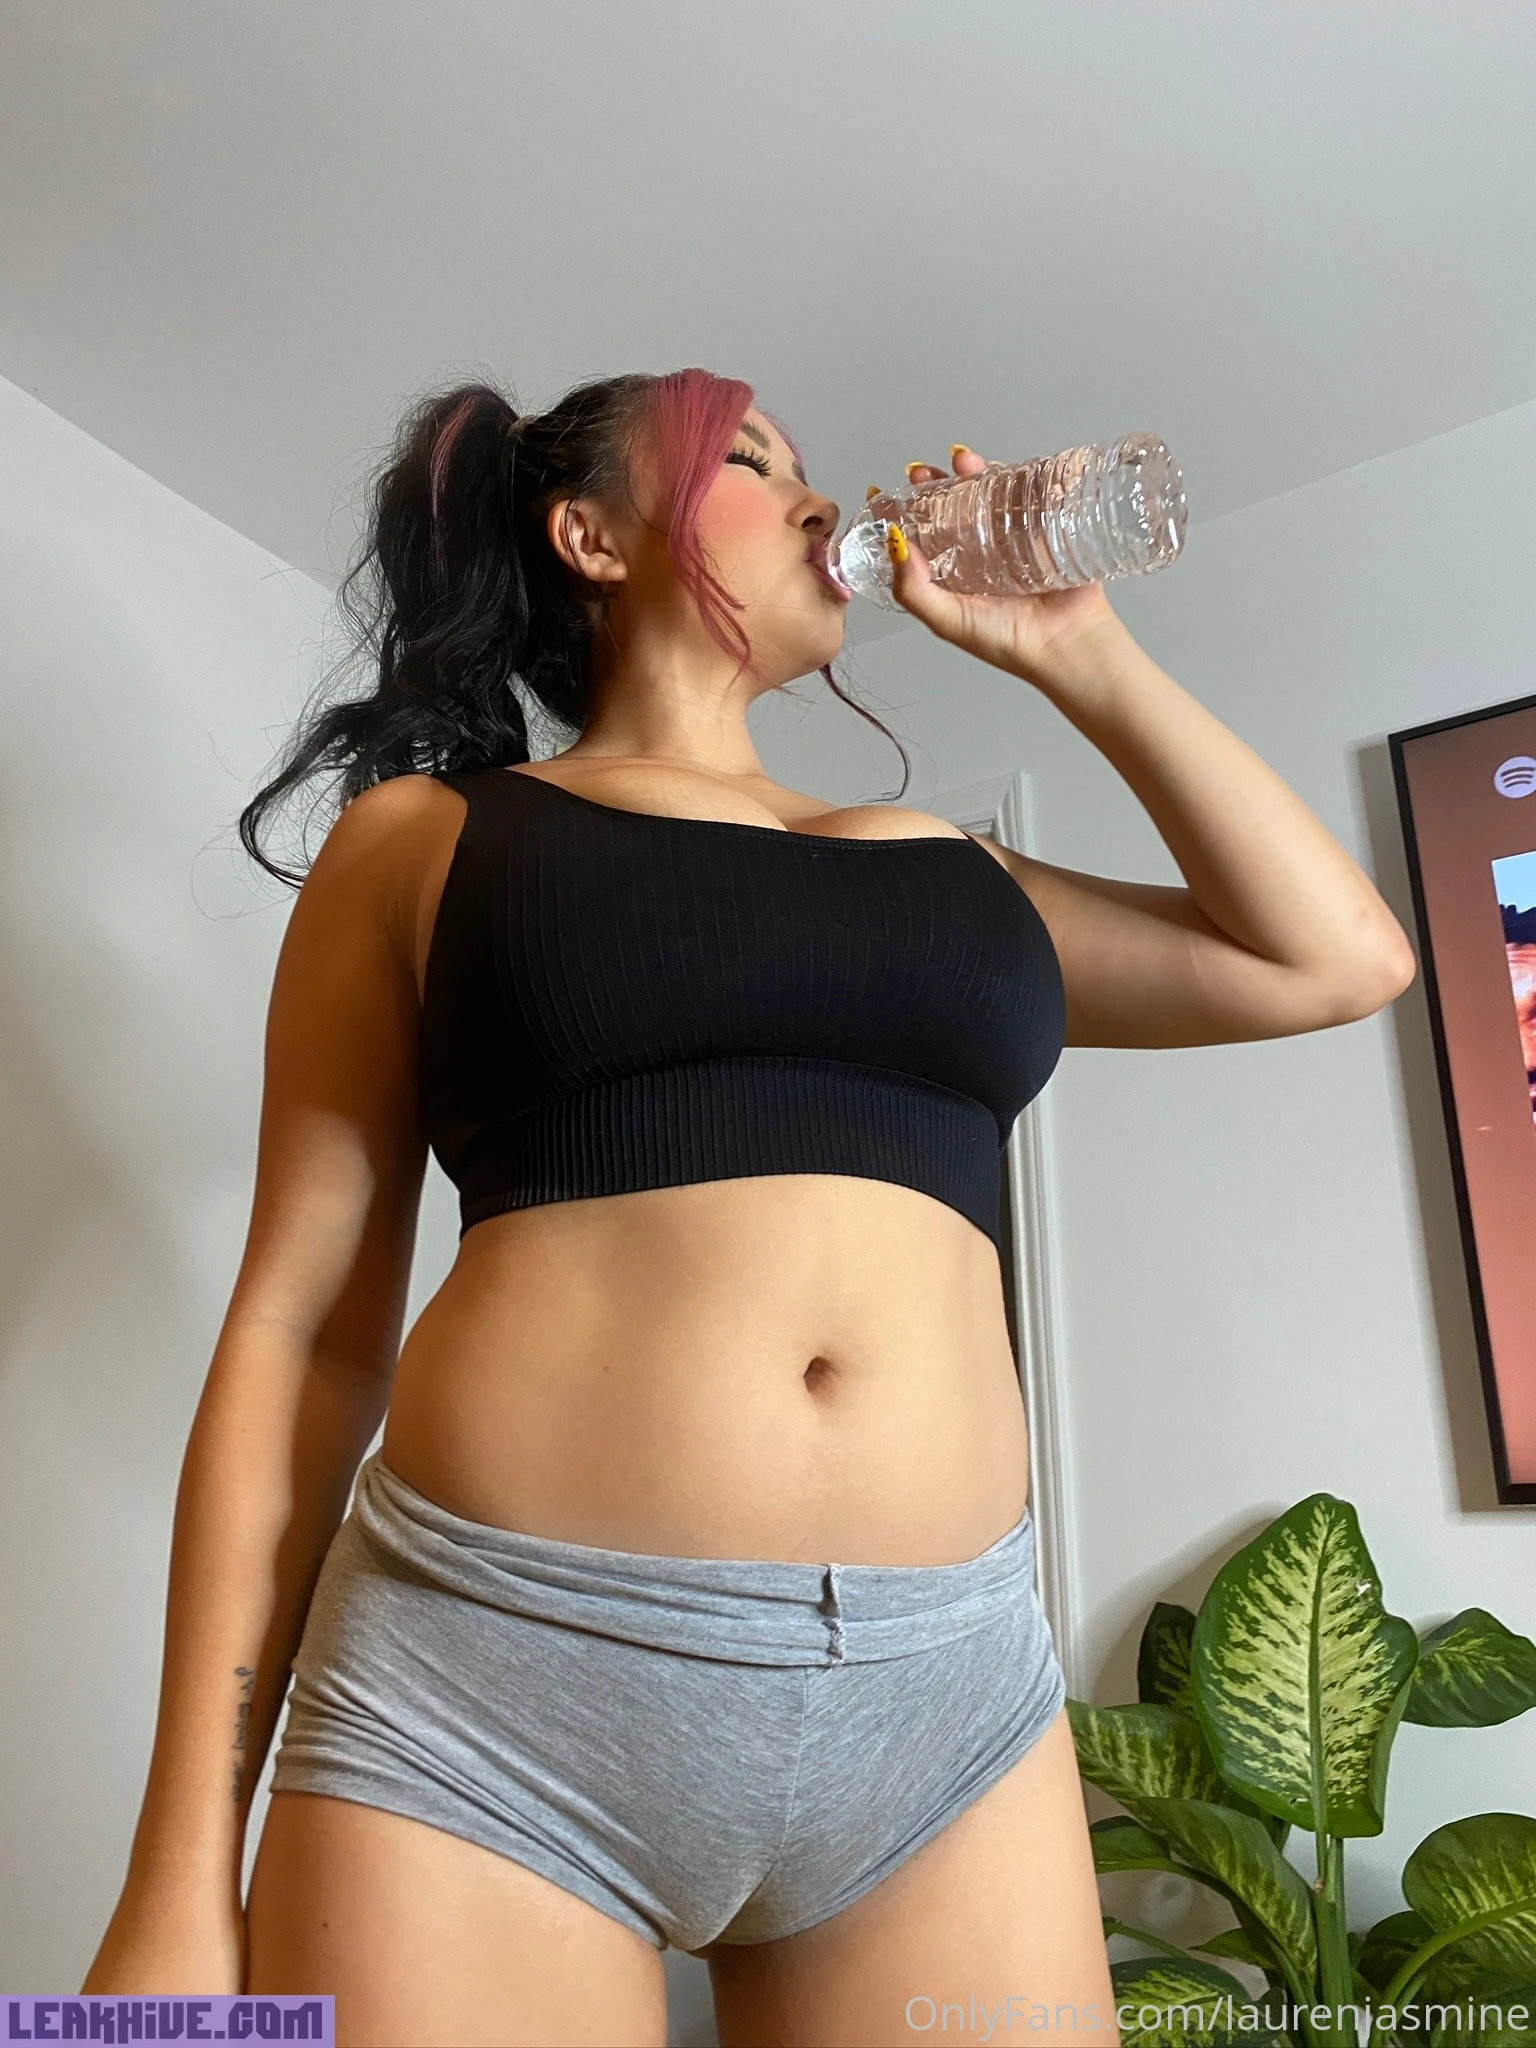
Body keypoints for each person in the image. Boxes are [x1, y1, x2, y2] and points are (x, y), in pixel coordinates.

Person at [82, 366, 1416, 2046]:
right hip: (494, 1695)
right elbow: (300, 1340)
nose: (817, 500)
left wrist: (1079, 652)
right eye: (752, 460)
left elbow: (1334, 957)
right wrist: (176, 1877)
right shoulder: (427, 843)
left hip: (943, 1713)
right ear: (590, 536)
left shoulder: (949, 871)